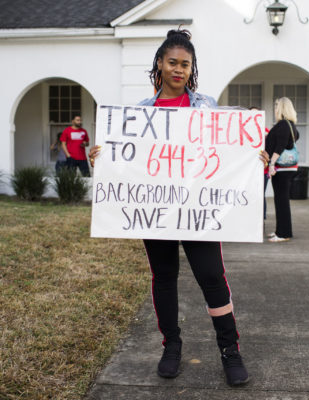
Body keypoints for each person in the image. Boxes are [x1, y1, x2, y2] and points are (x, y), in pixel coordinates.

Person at [88, 29, 249, 386]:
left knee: (211, 277)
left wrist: (255, 156)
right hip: (157, 210)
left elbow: (230, 150)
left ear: (192, 69)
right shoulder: (139, 114)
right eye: (172, 62)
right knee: (164, 277)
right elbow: (128, 164)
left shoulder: (206, 106)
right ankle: (171, 346)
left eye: (185, 64)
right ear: (159, 64)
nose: (179, 70)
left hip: (197, 210)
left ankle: (229, 350)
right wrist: (102, 157)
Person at [259, 97, 299, 243]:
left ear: (281, 108)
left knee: (281, 201)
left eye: (276, 107)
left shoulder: (283, 124)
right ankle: (280, 231)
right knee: (281, 200)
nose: (275, 110)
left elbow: (280, 146)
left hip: (281, 169)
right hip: (288, 168)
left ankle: (284, 233)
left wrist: (271, 165)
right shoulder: (291, 125)